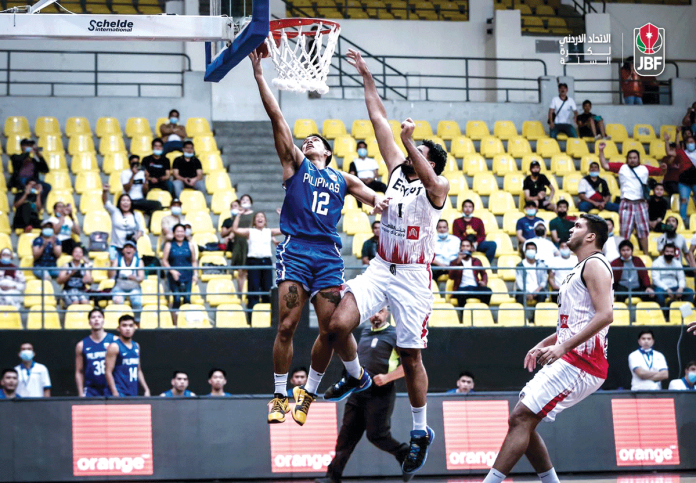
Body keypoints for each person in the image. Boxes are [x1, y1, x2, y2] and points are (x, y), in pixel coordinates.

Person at [319, 51, 449, 476]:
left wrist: (413, 142)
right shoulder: (395, 170)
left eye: (418, 151)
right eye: (411, 149)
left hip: (413, 277)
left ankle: (419, 431)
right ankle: (355, 375)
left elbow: (428, 175)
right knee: (337, 326)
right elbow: (378, 120)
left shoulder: (438, 186)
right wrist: (367, 76)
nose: (409, 152)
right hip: (381, 266)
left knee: (411, 357)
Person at [249, 48, 386, 426]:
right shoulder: (294, 164)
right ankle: (279, 395)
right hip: (296, 250)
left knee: (332, 329)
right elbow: (277, 117)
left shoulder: (344, 178)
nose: (307, 141)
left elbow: (378, 198)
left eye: (315, 140)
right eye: (305, 139)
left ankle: (308, 392)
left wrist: (381, 203)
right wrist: (260, 74)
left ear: (327, 151)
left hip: (328, 255)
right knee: (286, 326)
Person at [481, 214, 613, 483]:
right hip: (573, 357)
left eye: (577, 226)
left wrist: (563, 347)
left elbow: (605, 315)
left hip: (583, 362)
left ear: (591, 237)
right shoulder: (579, 267)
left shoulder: (596, 264)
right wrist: (544, 343)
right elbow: (576, 322)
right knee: (523, 420)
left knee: (520, 418)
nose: (570, 229)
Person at [316, 308, 409, 483]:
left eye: (380, 311)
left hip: (381, 393)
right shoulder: (364, 332)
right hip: (357, 393)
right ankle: (332, 477)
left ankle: (404, 452)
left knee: (377, 435)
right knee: (345, 438)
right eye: (373, 312)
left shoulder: (396, 334)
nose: (376, 315)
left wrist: (388, 377)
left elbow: (409, 367)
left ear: (387, 313)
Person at [598, 141, 666, 255]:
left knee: (643, 231)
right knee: (624, 232)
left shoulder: (645, 169)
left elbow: (660, 173)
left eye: (634, 158)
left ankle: (646, 255)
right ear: (627, 159)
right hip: (626, 203)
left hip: (641, 204)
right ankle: (623, 255)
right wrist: (601, 151)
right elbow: (605, 165)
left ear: (639, 159)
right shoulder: (622, 168)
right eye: (630, 158)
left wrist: (664, 168)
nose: (632, 160)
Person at [232, 211, 281, 310]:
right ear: (254, 221)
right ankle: (252, 312)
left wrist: (283, 216)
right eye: (257, 217)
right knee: (253, 287)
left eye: (262, 216)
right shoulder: (250, 231)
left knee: (267, 288)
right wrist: (238, 215)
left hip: (266, 261)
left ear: (265, 221)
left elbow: (286, 229)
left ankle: (268, 313)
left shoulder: (269, 231)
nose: (260, 218)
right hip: (254, 262)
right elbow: (235, 229)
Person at [105, 315, 150, 397]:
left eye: (130, 325)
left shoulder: (136, 346)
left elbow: (138, 370)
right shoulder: (114, 346)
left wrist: (146, 389)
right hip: (120, 392)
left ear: (135, 328)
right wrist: (115, 392)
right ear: (118, 328)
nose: (128, 329)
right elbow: (108, 372)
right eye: (124, 325)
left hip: (133, 391)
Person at [75, 308, 116, 397]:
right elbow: (79, 371)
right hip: (91, 389)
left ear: (103, 321)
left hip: (110, 387)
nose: (96, 319)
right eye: (93, 317)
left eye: (99, 317)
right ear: (89, 322)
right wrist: (80, 393)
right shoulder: (81, 345)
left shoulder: (114, 340)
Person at [220, 195, 255, 292]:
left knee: (252, 272)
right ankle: (240, 294)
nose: (245, 201)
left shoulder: (255, 215)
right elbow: (234, 229)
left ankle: (252, 294)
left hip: (251, 244)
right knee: (241, 271)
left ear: (251, 202)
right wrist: (230, 236)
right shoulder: (237, 216)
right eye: (243, 200)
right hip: (239, 244)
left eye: (247, 199)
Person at [162, 224, 198, 316]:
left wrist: (195, 274)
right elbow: (164, 261)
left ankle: (186, 322)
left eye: (182, 231)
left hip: (187, 275)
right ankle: (175, 324)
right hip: (174, 277)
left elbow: (193, 260)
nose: (180, 234)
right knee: (176, 299)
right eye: (177, 231)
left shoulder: (189, 244)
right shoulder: (169, 245)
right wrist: (172, 271)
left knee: (187, 298)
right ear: (174, 233)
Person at [102, 188, 144, 261]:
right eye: (123, 200)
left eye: (128, 200)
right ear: (119, 202)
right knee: (113, 263)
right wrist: (105, 192)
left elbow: (140, 230)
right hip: (115, 246)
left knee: (136, 264)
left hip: (130, 247)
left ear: (131, 203)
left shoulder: (136, 215)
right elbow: (105, 202)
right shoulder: (115, 212)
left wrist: (135, 238)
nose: (125, 203)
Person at [449, 238, 491, 306]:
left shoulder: (476, 261)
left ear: (471, 248)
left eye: (467, 246)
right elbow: (451, 276)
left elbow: (484, 273)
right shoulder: (454, 262)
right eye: (463, 246)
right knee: (460, 295)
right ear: (460, 248)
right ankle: (462, 315)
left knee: (488, 291)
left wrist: (484, 281)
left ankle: (484, 311)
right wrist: (458, 262)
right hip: (461, 288)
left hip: (475, 287)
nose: (465, 248)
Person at [652, 242, 694, 310]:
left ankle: (687, 315)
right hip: (661, 288)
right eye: (667, 251)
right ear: (663, 252)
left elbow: (681, 278)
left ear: (674, 253)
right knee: (659, 294)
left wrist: (681, 288)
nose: (669, 253)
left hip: (675, 287)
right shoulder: (656, 263)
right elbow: (656, 280)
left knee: (689, 292)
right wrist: (667, 289)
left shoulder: (677, 263)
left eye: (671, 252)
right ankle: (664, 315)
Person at [10, 138, 51, 205]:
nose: (30, 147)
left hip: (33, 181)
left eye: (31, 145)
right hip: (20, 180)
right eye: (27, 145)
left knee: (47, 186)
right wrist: (28, 152)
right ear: (22, 147)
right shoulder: (15, 157)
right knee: (28, 184)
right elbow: (21, 158)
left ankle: (39, 203)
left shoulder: (33, 161)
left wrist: (39, 156)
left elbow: (45, 170)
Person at [667, 130, 696, 224]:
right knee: (683, 200)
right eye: (688, 142)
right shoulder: (681, 153)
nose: (690, 144)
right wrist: (668, 140)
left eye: (692, 142)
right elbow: (669, 152)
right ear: (685, 143)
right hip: (684, 182)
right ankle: (681, 221)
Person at [109, 241, 145, 313]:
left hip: (134, 288)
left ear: (134, 251)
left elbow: (141, 278)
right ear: (123, 251)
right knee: (117, 302)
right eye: (126, 248)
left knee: (137, 302)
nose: (128, 249)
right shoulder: (118, 260)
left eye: (131, 248)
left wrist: (135, 278)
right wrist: (112, 264)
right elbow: (110, 276)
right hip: (120, 288)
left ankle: (137, 322)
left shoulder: (139, 261)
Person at [515, 242, 550, 308]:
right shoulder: (520, 266)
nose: (531, 251)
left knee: (542, 294)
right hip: (524, 290)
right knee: (519, 296)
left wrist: (537, 290)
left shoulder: (541, 264)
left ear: (536, 251)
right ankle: (522, 316)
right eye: (528, 249)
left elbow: (544, 280)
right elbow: (519, 282)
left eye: (532, 249)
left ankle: (539, 316)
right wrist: (527, 292)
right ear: (525, 252)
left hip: (538, 290)